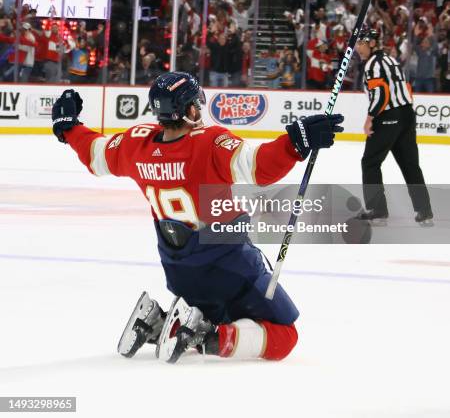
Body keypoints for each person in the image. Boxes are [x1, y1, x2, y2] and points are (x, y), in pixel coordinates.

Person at [51, 73, 344, 363]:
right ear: (188, 109)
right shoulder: (209, 143)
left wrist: (69, 128)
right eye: (195, 104)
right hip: (227, 265)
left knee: (221, 304)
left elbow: (96, 155)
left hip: (179, 273)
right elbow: (259, 167)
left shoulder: (136, 144)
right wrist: (295, 142)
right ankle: (206, 336)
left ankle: (157, 321)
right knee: (285, 335)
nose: (199, 110)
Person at [355, 28, 433, 225]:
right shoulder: (391, 60)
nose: (358, 47)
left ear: (372, 44)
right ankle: (424, 211)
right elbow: (406, 88)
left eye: (361, 43)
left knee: (370, 162)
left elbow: (381, 95)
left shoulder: (373, 64)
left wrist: (369, 119)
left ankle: (377, 210)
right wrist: (403, 113)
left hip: (388, 116)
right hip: (406, 113)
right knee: (410, 164)